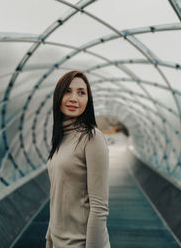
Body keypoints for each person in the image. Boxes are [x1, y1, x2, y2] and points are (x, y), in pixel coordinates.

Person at [45, 71, 110, 248]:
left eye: (81, 92)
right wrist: (49, 239)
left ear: (88, 100)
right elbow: (56, 196)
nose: (74, 98)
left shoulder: (92, 138)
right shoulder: (61, 137)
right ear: (58, 96)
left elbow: (99, 208)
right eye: (67, 91)